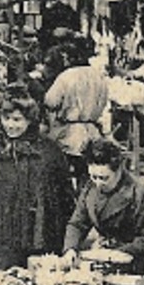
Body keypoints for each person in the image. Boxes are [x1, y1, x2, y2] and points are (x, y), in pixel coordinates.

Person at [0, 93, 74, 271]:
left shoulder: (49, 151)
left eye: (17, 119)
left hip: (41, 234)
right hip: (3, 234)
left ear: (30, 120)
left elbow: (65, 194)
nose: (11, 125)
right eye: (6, 119)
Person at [63, 138, 144, 285]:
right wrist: (70, 249)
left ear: (119, 169)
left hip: (137, 269)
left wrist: (114, 254)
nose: (98, 183)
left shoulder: (141, 195)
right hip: (105, 265)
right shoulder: (90, 190)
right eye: (93, 176)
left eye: (104, 178)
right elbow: (78, 223)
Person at [41, 42, 109, 181]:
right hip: (92, 131)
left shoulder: (66, 76)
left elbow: (51, 101)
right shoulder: (99, 76)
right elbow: (104, 102)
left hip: (69, 133)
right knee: (87, 174)